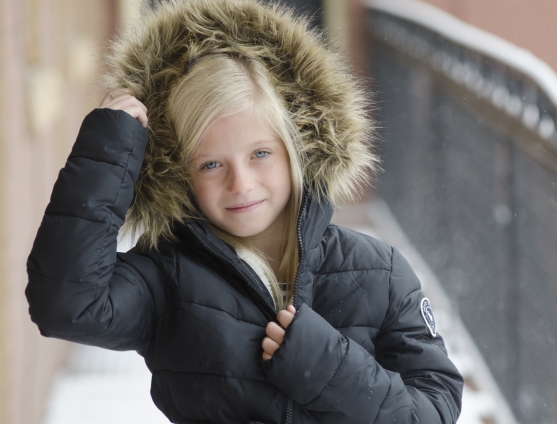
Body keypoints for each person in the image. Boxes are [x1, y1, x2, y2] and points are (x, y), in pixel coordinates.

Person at [26, 0, 463, 423]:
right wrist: (109, 154)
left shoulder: (379, 273)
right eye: (211, 164)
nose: (241, 183)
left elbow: (435, 406)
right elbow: (68, 304)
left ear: (295, 150)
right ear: (180, 173)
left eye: (260, 154)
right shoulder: (166, 278)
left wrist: (327, 367)